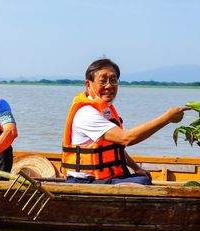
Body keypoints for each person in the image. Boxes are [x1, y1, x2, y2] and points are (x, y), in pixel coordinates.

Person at [61, 58, 189, 185]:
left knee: (143, 178)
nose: (109, 86)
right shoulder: (87, 113)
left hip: (103, 179)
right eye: (102, 81)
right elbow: (126, 139)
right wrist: (167, 118)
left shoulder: (105, 110)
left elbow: (117, 147)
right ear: (89, 85)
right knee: (142, 182)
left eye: (113, 80)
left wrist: (136, 167)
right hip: (84, 181)